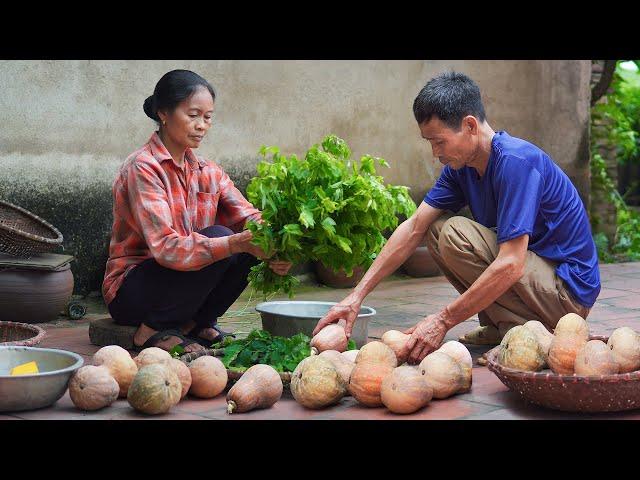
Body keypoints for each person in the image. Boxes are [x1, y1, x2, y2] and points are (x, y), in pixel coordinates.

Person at [313, 71, 600, 365]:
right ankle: (508, 326)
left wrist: (443, 320)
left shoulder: (516, 162)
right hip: (537, 279)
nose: (435, 153)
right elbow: (414, 228)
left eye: (439, 142)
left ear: (470, 126)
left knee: (454, 233)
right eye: (430, 143)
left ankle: (527, 331)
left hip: (567, 293)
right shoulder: (460, 168)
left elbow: (512, 262)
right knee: (435, 231)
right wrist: (355, 298)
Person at [102, 69, 292, 354]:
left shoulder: (208, 170)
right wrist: (233, 242)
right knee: (223, 237)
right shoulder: (143, 168)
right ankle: (152, 330)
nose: (201, 125)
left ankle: (198, 323)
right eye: (192, 115)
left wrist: (280, 244)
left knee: (247, 241)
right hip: (133, 291)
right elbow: (167, 249)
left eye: (208, 117)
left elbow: (249, 217)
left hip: (181, 285)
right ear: (164, 113)